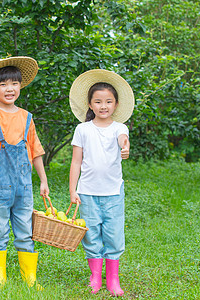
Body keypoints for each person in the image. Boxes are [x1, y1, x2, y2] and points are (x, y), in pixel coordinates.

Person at [0, 56, 49, 289]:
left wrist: (43, 180)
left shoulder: (27, 117)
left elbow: (35, 151)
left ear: (20, 86)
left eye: (14, 83)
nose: (9, 89)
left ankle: (30, 278)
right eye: (3, 84)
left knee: (26, 229)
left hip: (24, 187)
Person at [68, 69, 134, 297]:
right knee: (91, 233)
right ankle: (95, 276)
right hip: (87, 192)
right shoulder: (82, 129)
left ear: (116, 105)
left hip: (113, 192)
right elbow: (76, 162)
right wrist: (72, 190)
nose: (103, 106)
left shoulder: (120, 128)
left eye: (108, 101)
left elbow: (122, 139)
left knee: (114, 234)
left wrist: (125, 146)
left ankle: (113, 279)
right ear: (90, 104)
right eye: (98, 101)